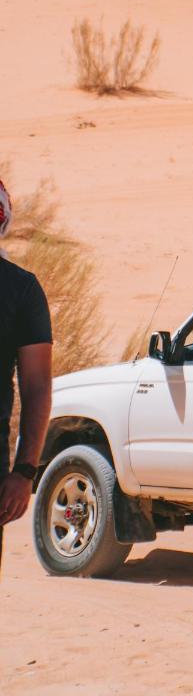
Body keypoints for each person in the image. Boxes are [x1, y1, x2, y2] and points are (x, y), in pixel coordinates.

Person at [0, 179, 53, 573]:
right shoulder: (21, 289)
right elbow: (36, 387)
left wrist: (25, 471)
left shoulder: (20, 289)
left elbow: (37, 388)